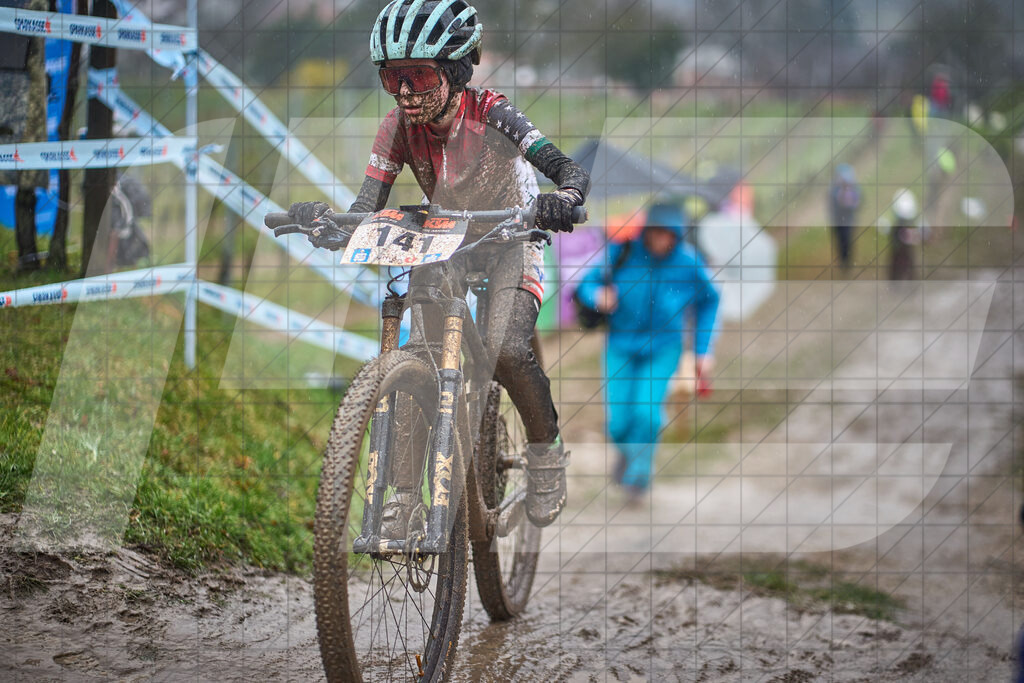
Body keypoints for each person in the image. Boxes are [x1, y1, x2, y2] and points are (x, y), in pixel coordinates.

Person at [286, 0, 590, 529]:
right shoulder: (397, 127)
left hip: (511, 236)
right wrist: (329, 222)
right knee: (419, 352)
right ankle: (403, 499)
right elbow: (366, 207)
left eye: (420, 75)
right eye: (393, 78)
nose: (405, 92)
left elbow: (565, 168)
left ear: (455, 72)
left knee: (507, 350)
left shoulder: (493, 112)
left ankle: (546, 456)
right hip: (444, 241)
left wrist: (563, 197)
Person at [575, 203, 720, 503]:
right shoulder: (622, 252)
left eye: (667, 233)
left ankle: (638, 478)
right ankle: (630, 454)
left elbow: (710, 301)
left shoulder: (688, 263)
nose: (660, 239)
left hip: (664, 347)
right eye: (655, 232)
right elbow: (586, 284)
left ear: (677, 235)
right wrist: (597, 295)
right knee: (618, 423)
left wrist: (703, 349)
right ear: (646, 230)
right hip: (620, 345)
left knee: (647, 414)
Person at [829, 163, 861, 273]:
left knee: (847, 241)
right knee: (840, 241)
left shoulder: (853, 190)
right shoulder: (835, 191)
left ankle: (847, 262)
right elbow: (834, 206)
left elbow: (857, 203)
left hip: (848, 221)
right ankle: (843, 262)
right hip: (839, 222)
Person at [888, 189, 925, 281]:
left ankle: (906, 281)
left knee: (906, 263)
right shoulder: (900, 226)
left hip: (903, 251)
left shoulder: (907, 225)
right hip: (899, 250)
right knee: (900, 264)